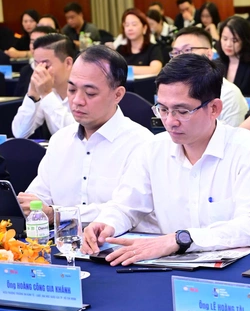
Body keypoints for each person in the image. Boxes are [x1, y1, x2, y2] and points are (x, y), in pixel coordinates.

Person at [81, 54, 250, 265]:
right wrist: (106, 224)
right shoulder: (153, 149)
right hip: (166, 267)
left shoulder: (249, 149)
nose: (170, 121)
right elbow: (126, 206)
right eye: (163, 109)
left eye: (182, 111)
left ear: (214, 108)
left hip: (233, 270)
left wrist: (180, 240)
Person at [18, 46, 153, 223]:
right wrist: (30, 204)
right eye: (72, 90)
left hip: (119, 239)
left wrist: (57, 214)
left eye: (90, 93)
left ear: (118, 95)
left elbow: (126, 209)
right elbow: (39, 195)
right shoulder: (60, 139)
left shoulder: (142, 144)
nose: (77, 101)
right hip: (62, 238)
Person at [171, 26, 248, 126]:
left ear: (209, 54)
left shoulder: (228, 94)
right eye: (175, 52)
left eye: (187, 50)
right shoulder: (171, 91)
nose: (179, 57)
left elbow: (231, 135)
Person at [11, 34, 76, 139]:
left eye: (46, 65)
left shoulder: (86, 90)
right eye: (37, 65)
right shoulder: (45, 90)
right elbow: (20, 133)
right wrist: (32, 94)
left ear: (68, 63)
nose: (39, 71)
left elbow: (76, 133)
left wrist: (47, 94)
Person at [216, 16, 250, 96]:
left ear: (245, 41)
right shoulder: (216, 64)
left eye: (234, 40)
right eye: (225, 39)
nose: (228, 44)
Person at [115, 8, 164, 76]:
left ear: (144, 28)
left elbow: (155, 70)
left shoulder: (153, 49)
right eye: (127, 25)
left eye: (134, 24)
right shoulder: (120, 50)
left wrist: (126, 70)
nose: (130, 28)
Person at [13, 26, 55, 98]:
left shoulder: (56, 70)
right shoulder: (25, 70)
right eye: (32, 42)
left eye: (39, 42)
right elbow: (18, 99)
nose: (34, 46)